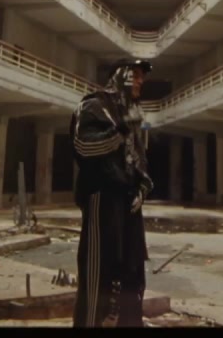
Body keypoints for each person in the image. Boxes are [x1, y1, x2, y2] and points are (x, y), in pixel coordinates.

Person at [70, 58, 154, 328]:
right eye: (136, 75)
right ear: (121, 76)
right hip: (102, 199)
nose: (140, 82)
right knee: (99, 273)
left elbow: (139, 159)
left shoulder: (130, 113)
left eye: (142, 77)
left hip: (130, 204)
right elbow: (84, 147)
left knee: (132, 272)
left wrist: (142, 188)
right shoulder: (94, 106)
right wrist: (120, 130)